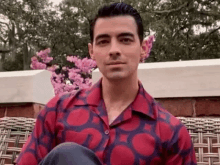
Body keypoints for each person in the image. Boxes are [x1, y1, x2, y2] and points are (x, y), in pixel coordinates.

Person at [15, 2, 197, 165]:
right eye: (103, 42)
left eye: (125, 40)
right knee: (67, 155)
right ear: (92, 50)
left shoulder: (170, 132)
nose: (114, 50)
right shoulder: (57, 111)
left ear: (143, 48)